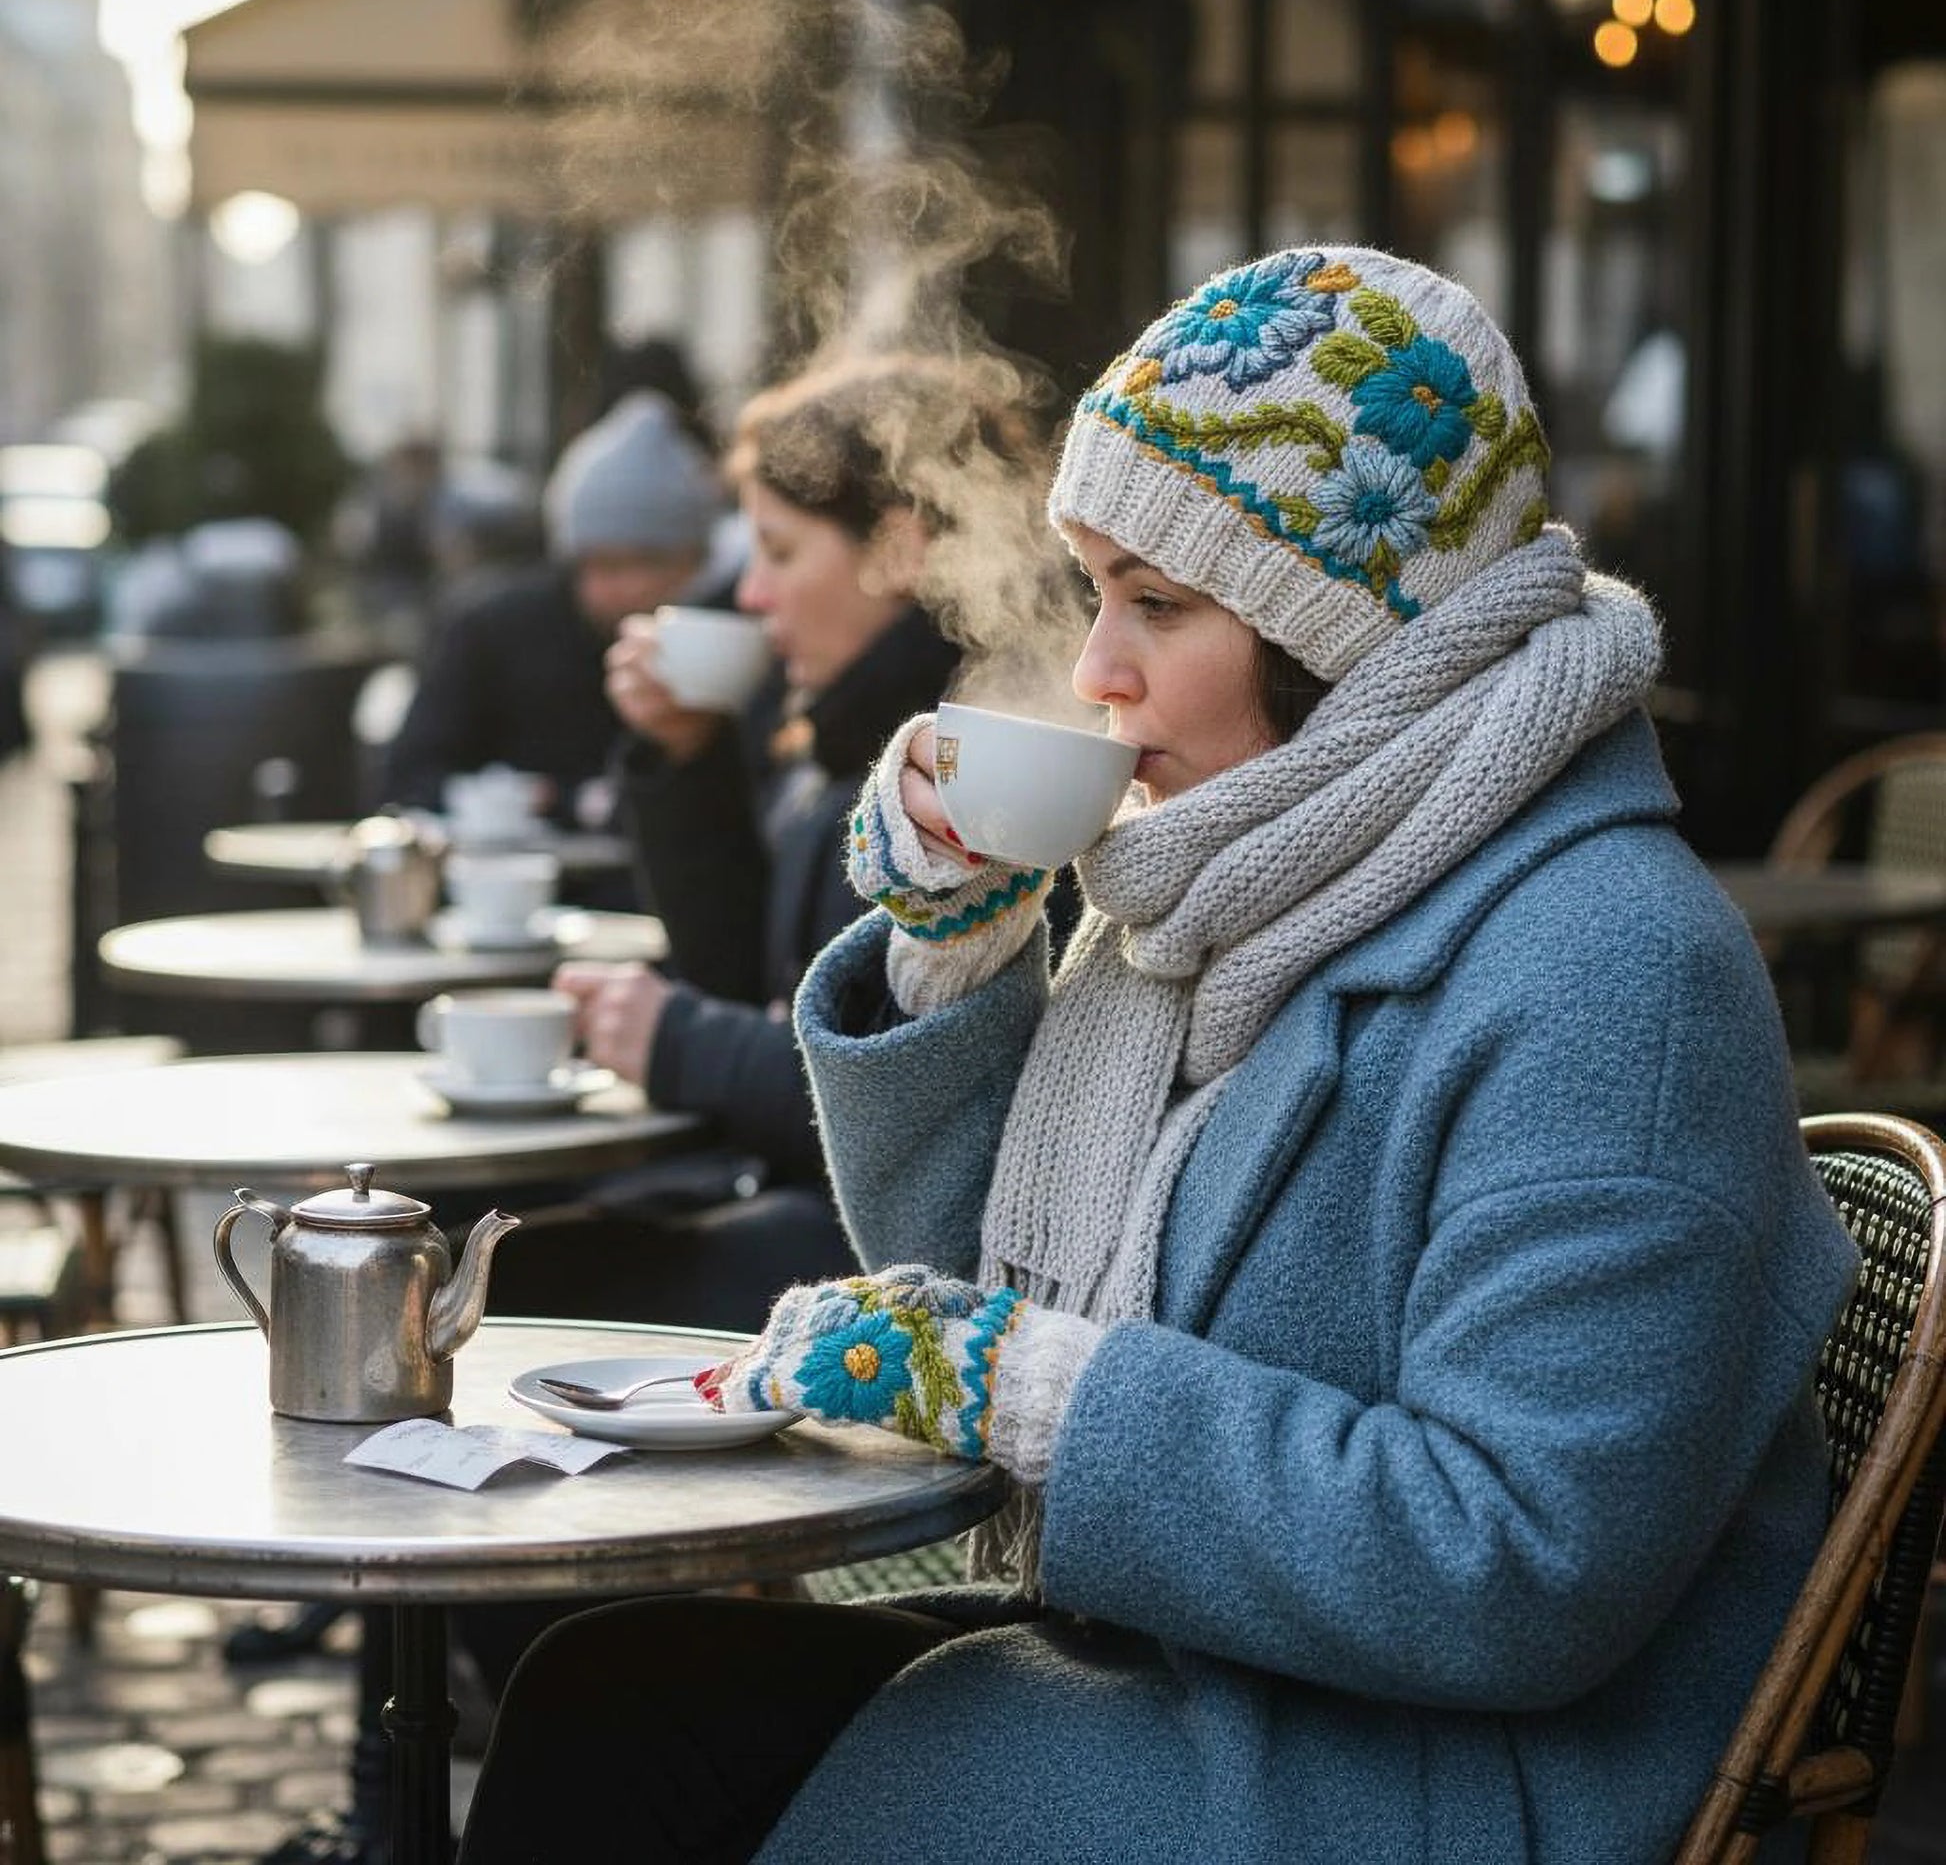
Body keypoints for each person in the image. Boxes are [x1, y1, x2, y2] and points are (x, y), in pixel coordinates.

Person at [456, 246, 1859, 1865]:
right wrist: (957, 942)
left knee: (651, 1758)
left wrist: (1039, 1392)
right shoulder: (1240, 875)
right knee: (611, 1690)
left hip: (1457, 1781)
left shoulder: (1614, 971)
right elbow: (982, 1269)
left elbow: (1515, 1573)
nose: (1097, 669)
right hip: (1227, 1681)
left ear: (1348, 634)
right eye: (1094, 590)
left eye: (1158, 605)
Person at [483, 353, 1030, 1335]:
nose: (749, 595)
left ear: (897, 548)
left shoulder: (976, 758)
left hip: (891, 1278)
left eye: (777, 552)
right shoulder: (836, 730)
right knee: (467, 1240)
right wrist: (682, 756)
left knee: (489, 1286)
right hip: (801, 1216)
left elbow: (932, 1108)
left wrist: (683, 1043)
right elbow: (745, 974)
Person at [379, 387, 722, 836]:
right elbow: (409, 780)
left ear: (692, 561)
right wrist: (534, 803)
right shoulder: (495, 631)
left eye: (639, 562)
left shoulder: (724, 639)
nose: (612, 588)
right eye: (591, 564)